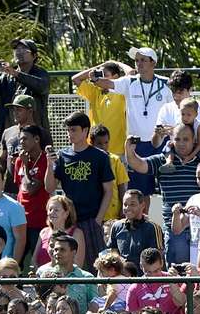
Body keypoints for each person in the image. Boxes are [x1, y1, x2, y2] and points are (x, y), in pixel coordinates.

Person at [94, 46, 173, 197]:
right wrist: (95, 79)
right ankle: (144, 220)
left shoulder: (166, 84)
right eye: (137, 61)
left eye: (143, 60)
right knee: (141, 193)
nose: (139, 64)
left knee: (167, 188)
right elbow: (109, 84)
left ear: (153, 63)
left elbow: (176, 107)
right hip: (137, 145)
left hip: (162, 142)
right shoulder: (129, 81)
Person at [44, 112, 114, 271]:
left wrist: (98, 219)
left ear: (85, 131)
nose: (70, 134)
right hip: (68, 220)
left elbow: (109, 190)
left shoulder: (100, 157)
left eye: (74, 130)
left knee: (98, 267)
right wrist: (49, 164)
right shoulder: (62, 156)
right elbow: (50, 187)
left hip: (91, 220)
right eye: (68, 130)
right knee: (66, 265)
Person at [125, 123, 200, 265]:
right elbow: (139, 165)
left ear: (194, 141)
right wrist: (129, 151)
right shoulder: (163, 160)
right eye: (177, 139)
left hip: (199, 227)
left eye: (186, 139)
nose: (181, 143)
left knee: (199, 276)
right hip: (174, 230)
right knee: (178, 275)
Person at [0, 38, 50, 140]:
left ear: (34, 56)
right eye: (16, 50)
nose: (19, 52)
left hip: (35, 134)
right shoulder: (7, 77)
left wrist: (16, 74)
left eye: (24, 50)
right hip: (11, 134)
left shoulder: (40, 73)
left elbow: (42, 87)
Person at [0, 94, 52, 196]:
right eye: (13, 110)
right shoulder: (7, 132)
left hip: (35, 191)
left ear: (30, 111)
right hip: (10, 190)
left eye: (19, 110)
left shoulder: (42, 133)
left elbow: (48, 161)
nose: (14, 113)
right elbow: (3, 159)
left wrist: (26, 163)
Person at [37, 233, 97, 314]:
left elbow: (94, 304)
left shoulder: (86, 277)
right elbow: (40, 302)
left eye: (62, 250)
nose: (57, 253)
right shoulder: (45, 275)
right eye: (56, 249)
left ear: (74, 252)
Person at [13, 124, 51, 263]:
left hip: (38, 220)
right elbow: (20, 188)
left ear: (36, 139)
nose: (21, 142)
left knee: (39, 261)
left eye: (25, 139)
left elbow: (31, 188)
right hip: (20, 220)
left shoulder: (45, 160)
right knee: (17, 261)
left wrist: (26, 166)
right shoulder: (19, 160)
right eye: (20, 139)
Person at [73, 60, 127, 157]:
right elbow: (76, 79)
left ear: (115, 77)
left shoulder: (121, 92)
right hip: (95, 146)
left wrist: (118, 63)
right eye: (100, 74)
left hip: (117, 147)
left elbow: (131, 73)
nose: (101, 77)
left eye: (105, 74)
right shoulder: (95, 91)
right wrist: (99, 67)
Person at [0, 164, 27, 264]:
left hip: (2, 268)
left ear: (3, 182)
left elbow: (20, 240)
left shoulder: (15, 207)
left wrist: (13, 267)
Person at [108, 189, 163, 269]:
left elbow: (157, 257)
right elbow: (113, 253)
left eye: (132, 204)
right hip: (122, 276)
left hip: (145, 277)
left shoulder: (153, 228)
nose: (127, 208)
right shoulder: (116, 226)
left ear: (142, 205)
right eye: (125, 204)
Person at [90, 124, 130, 222]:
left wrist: (123, 208)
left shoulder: (115, 160)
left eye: (106, 142)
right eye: (99, 143)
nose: (103, 146)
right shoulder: (88, 161)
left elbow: (121, 186)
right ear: (91, 142)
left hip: (113, 214)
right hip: (93, 214)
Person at [33, 195, 85, 269]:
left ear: (66, 214)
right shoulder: (43, 232)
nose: (52, 213)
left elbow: (78, 264)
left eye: (56, 210)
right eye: (50, 209)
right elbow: (34, 260)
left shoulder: (76, 233)